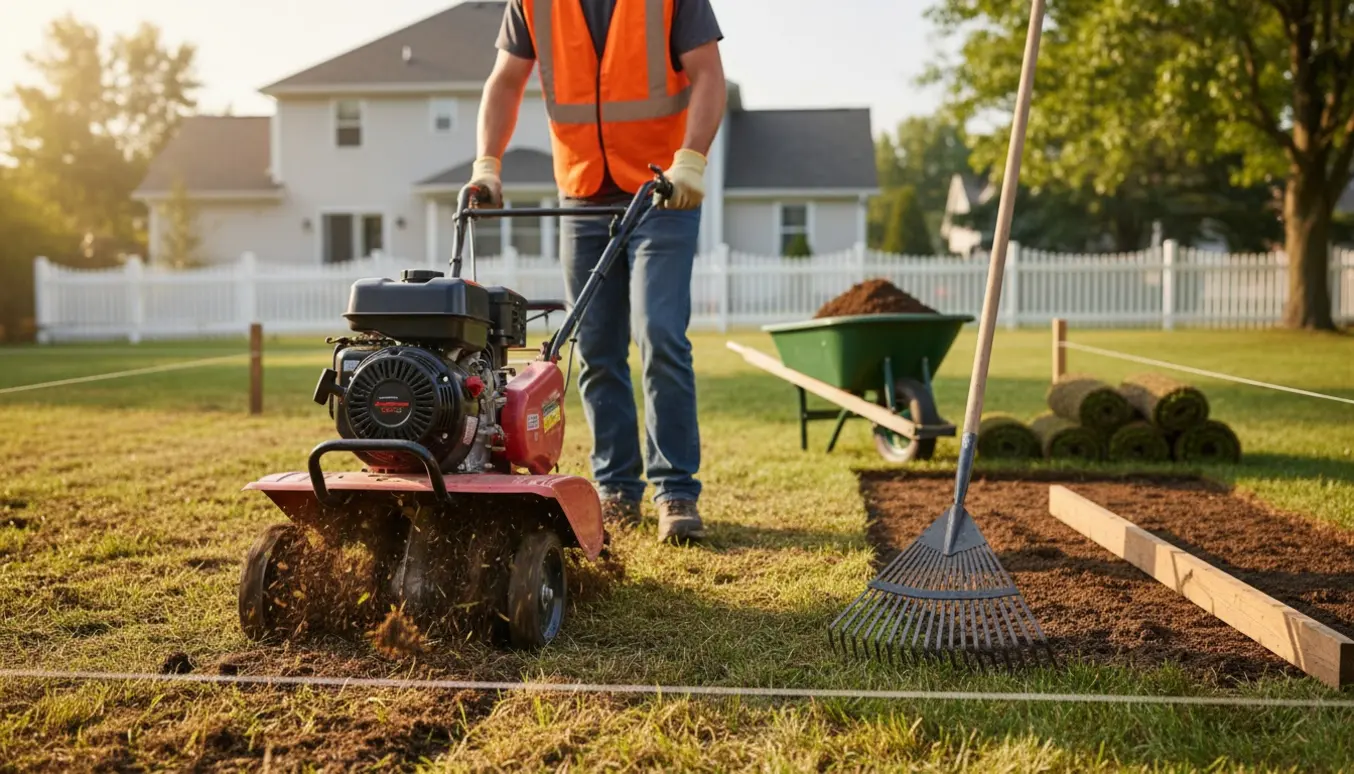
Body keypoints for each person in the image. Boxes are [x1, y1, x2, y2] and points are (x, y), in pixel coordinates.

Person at [471, 0, 726, 544]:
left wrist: (692, 160)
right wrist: (487, 165)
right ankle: (617, 487)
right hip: (582, 193)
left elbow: (708, 74)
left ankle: (675, 489)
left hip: (663, 189)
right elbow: (506, 81)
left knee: (660, 333)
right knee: (597, 347)